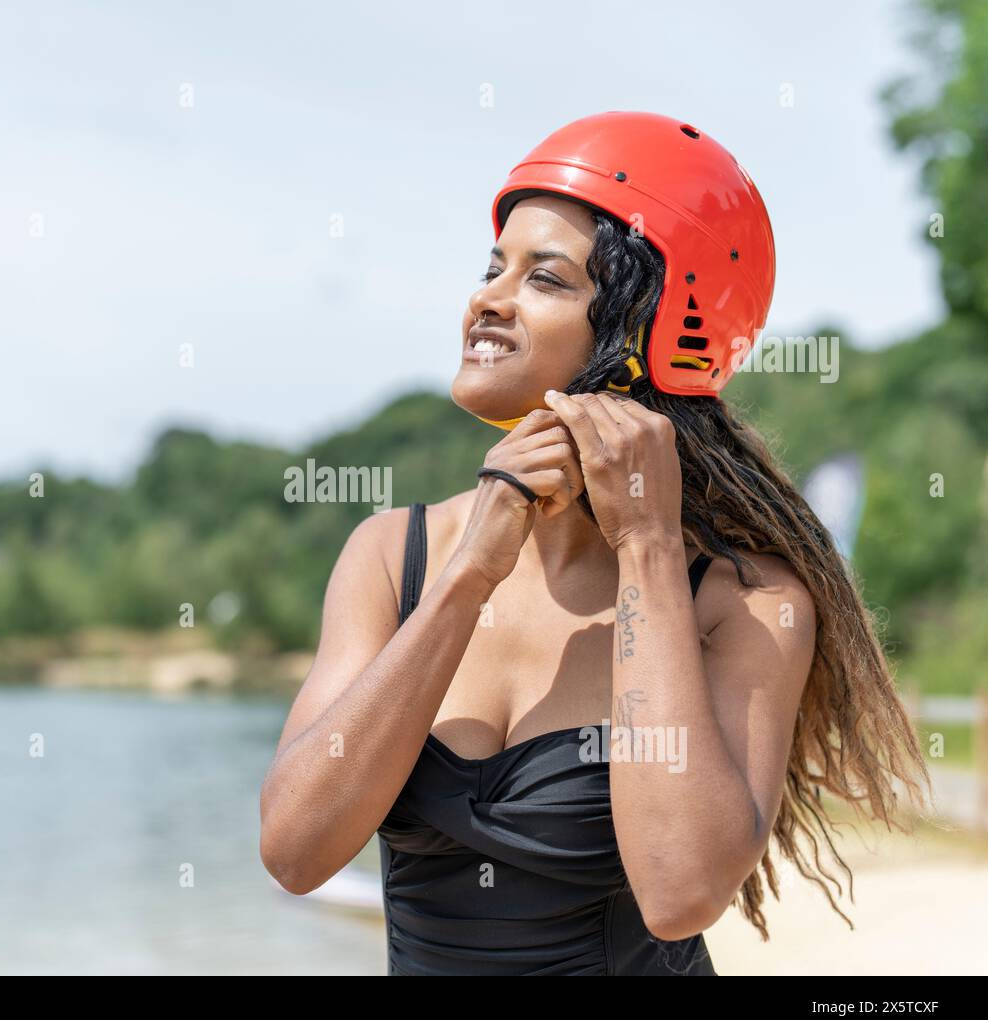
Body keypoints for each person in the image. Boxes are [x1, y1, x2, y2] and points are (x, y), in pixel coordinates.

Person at [258, 112, 932, 975]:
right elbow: (295, 850)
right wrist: (468, 575)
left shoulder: (747, 602)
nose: (487, 299)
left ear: (651, 328)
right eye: (492, 268)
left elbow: (682, 891)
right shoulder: (394, 555)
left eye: (544, 277)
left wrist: (647, 543)